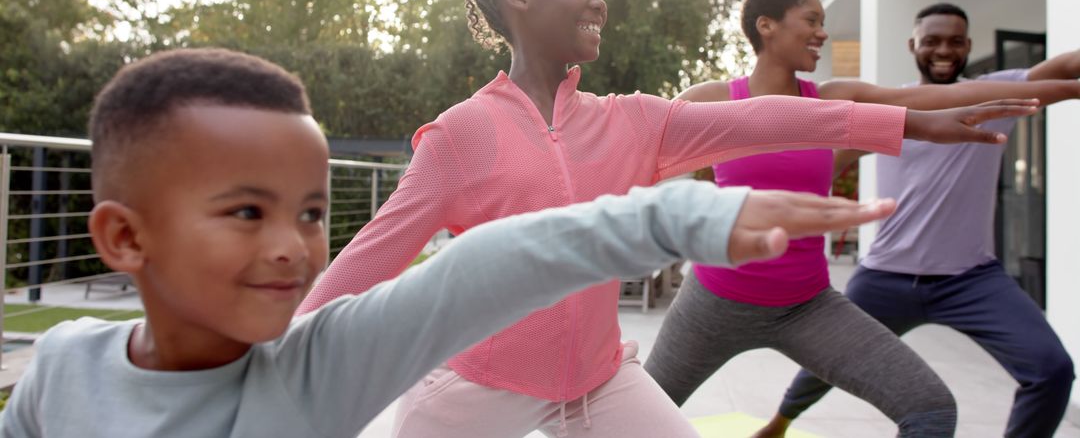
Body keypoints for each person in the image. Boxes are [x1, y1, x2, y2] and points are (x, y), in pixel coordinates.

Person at [296, 0, 1038, 438]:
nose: (598, 0)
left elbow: (779, 121)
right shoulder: (463, 133)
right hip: (477, 386)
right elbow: (374, 252)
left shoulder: (632, 120)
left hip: (595, 382)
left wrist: (909, 123)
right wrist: (289, 351)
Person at [0, 48, 904, 437]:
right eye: (247, 213)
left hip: (593, 373)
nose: (292, 246)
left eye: (312, 214)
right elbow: (389, 244)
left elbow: (506, 258)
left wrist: (693, 217)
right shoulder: (61, 370)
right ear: (124, 238)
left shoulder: (322, 368)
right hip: (485, 385)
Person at [642, 0, 1080, 437]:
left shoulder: (831, 100)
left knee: (931, 410)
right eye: (811, 20)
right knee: (630, 420)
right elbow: (637, 162)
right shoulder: (709, 101)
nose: (822, 33)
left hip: (805, 305)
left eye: (823, 23)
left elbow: (926, 99)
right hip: (714, 302)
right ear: (766, 26)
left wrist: (1068, 90)